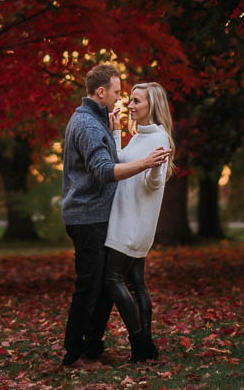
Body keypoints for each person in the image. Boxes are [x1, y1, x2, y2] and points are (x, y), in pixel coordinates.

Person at [60, 65, 170, 367]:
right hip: (88, 216)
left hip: (102, 216)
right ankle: (75, 353)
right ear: (101, 93)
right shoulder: (89, 126)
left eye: (132, 98)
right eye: (119, 93)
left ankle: (93, 347)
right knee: (91, 287)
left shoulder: (94, 122)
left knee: (105, 285)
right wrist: (146, 162)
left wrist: (117, 135)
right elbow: (105, 170)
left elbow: (130, 166)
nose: (122, 100)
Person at [103, 82, 176, 362]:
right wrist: (116, 132)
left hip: (132, 224)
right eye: (130, 100)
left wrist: (151, 166)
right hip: (127, 218)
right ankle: (145, 347)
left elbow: (153, 183)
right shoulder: (139, 136)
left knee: (112, 279)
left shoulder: (159, 138)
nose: (130, 106)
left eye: (136, 101)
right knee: (136, 282)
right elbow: (120, 161)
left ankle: (140, 341)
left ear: (151, 106)